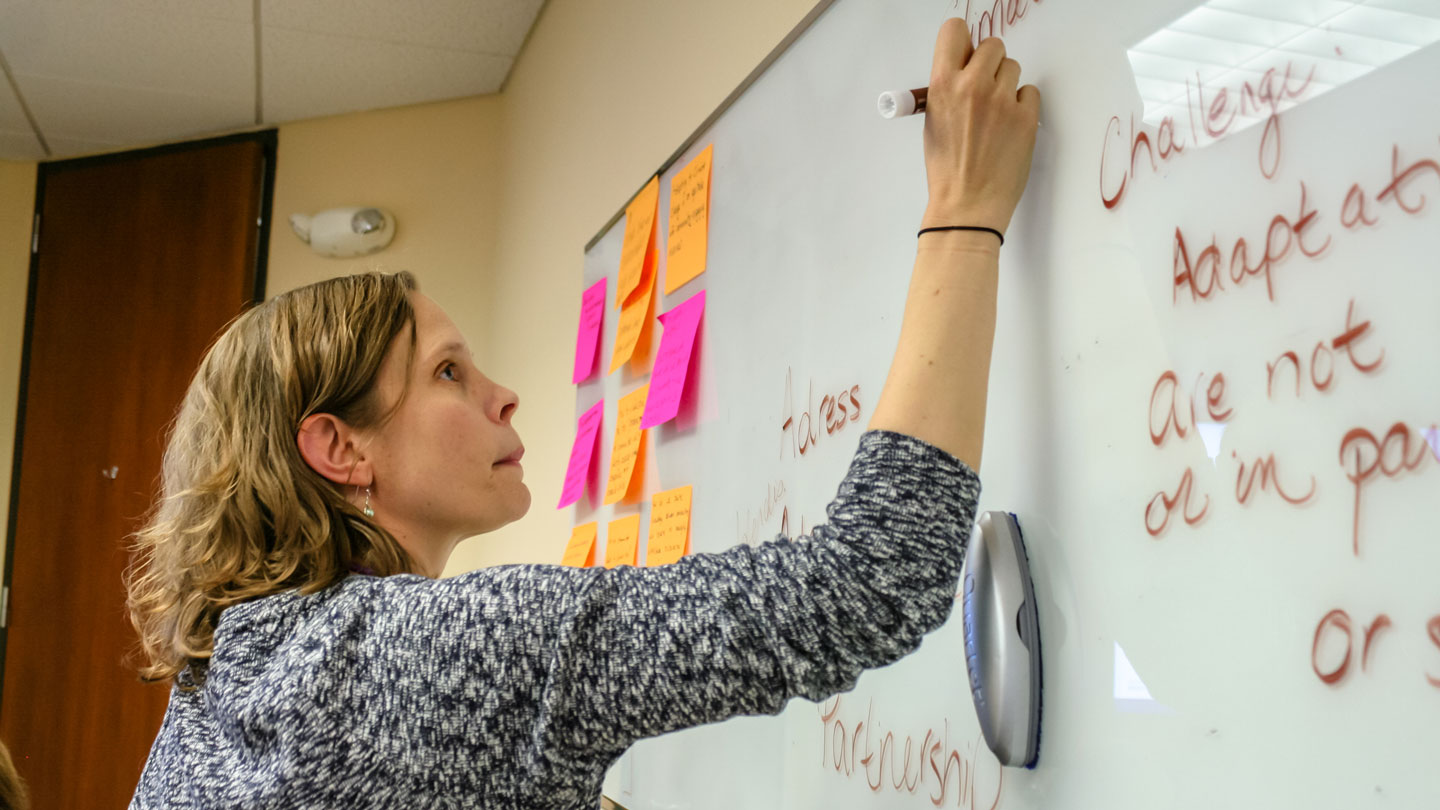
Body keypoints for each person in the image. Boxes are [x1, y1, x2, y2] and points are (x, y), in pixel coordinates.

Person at [126, 19, 1038, 809]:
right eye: (448, 372)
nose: (504, 394)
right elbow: (863, 585)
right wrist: (965, 212)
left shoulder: (224, 678)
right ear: (338, 447)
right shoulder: (431, 656)